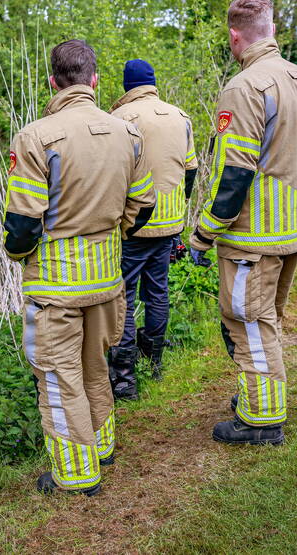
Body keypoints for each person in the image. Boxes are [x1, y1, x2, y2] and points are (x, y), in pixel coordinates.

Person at [2, 39, 155, 495]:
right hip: (108, 280)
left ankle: (75, 472)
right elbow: (143, 203)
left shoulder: (35, 136)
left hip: (56, 286)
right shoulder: (129, 132)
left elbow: (24, 223)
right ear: (94, 81)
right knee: (94, 364)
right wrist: (116, 233)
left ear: (53, 82)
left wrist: (16, 256)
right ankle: (102, 443)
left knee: (56, 373)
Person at [188, 0, 297, 446]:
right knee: (267, 319)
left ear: (234, 36)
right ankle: (258, 394)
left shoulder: (244, 87)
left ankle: (262, 421)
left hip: (254, 236)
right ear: (271, 28)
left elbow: (235, 173)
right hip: (293, 229)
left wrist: (204, 233)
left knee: (247, 320)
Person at [107, 59, 198, 400]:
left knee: (125, 299)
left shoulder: (120, 119)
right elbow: (190, 171)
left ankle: (126, 379)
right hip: (169, 222)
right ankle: (154, 361)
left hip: (134, 223)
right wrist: (179, 207)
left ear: (127, 86)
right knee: (158, 291)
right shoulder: (180, 116)